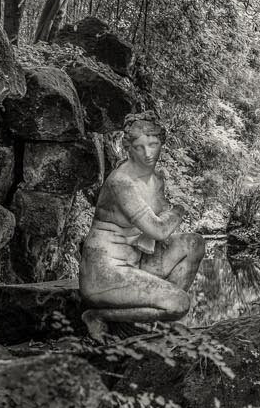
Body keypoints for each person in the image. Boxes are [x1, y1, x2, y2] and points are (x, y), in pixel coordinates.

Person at [78, 117, 204, 340]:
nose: (148, 153)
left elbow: (161, 221)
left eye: (153, 145)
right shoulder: (122, 182)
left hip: (136, 261)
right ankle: (98, 316)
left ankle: (157, 318)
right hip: (105, 272)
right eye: (139, 147)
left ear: (161, 144)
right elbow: (159, 229)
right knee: (179, 303)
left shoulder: (156, 180)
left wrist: (168, 215)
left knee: (193, 243)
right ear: (129, 149)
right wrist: (179, 210)